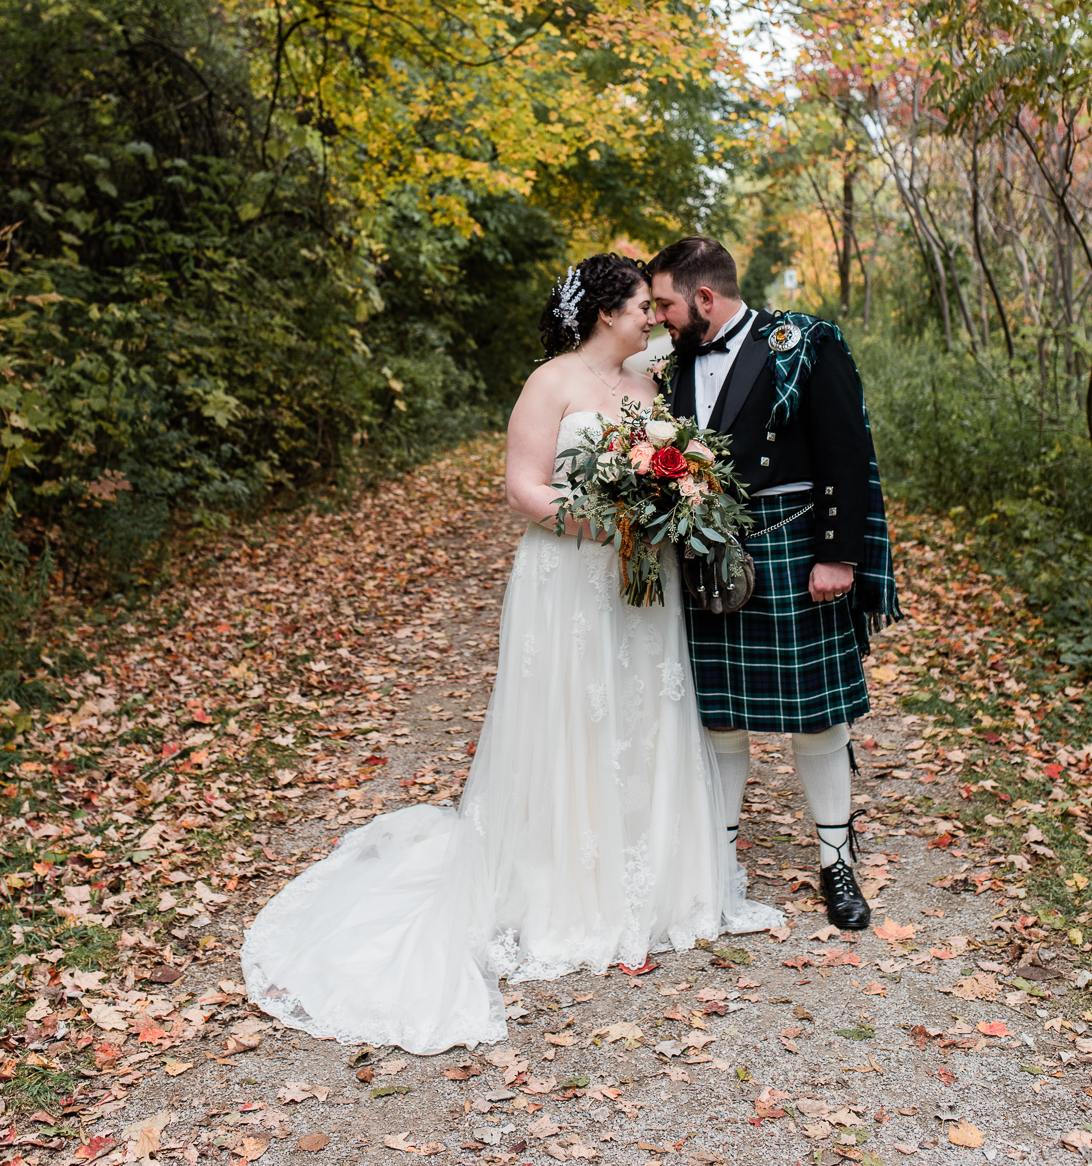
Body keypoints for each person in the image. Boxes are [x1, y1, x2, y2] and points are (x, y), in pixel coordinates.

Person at [241, 252, 779, 1058]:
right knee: (572, 716)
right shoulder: (551, 383)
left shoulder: (648, 385)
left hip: (644, 584)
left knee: (642, 711)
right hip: (571, 575)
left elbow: (677, 470)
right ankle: (563, 893)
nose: (651, 317)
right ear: (605, 312)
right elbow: (524, 487)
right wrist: (609, 521)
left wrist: (671, 504)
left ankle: (653, 887)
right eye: (640, 305)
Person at [647, 236, 902, 931]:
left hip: (792, 547)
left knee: (818, 718)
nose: (658, 317)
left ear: (705, 297)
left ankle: (835, 860)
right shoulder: (670, 366)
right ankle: (721, 862)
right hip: (705, 553)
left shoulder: (804, 343)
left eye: (666, 303)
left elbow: (848, 450)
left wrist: (839, 554)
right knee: (718, 716)